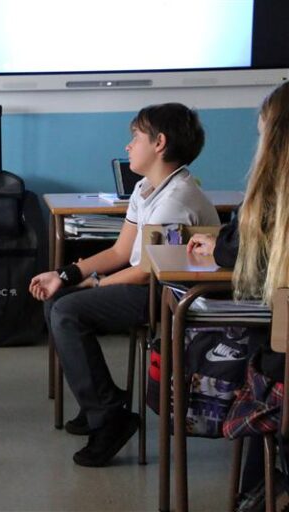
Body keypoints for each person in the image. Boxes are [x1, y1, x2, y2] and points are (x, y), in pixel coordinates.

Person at [30, 103, 220, 467]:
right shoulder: (147, 188)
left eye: (136, 137)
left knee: (68, 310)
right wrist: (66, 275)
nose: (129, 145)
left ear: (160, 143)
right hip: (144, 284)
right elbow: (121, 251)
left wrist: (92, 286)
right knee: (57, 300)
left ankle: (110, 418)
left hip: (168, 294)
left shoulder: (177, 199)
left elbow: (147, 271)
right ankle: (100, 403)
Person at [188, 82, 289, 505]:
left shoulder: (268, 206)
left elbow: (240, 251)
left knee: (238, 349)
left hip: (281, 377)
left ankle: (257, 490)